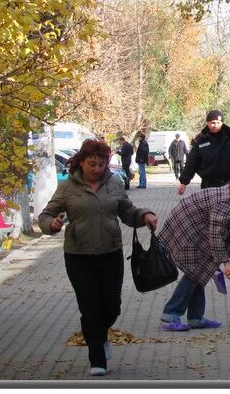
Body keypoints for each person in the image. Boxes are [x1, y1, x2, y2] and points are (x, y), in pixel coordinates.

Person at [38, 139, 158, 376]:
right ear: (81, 162)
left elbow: (127, 211)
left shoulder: (114, 183)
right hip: (78, 256)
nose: (96, 169)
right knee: (90, 308)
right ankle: (97, 359)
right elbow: (46, 215)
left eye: (101, 164)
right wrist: (51, 224)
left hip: (111, 253)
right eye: (92, 164)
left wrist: (145, 215)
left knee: (112, 307)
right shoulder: (68, 187)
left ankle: (100, 336)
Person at [157, 176, 230, 331]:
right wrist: (226, 262)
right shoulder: (225, 203)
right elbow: (216, 236)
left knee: (200, 272)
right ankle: (170, 314)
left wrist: (222, 258)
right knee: (195, 272)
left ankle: (195, 317)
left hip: (194, 226)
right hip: (186, 229)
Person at [178, 110, 230, 195]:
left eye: (218, 122)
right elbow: (192, 162)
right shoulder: (200, 140)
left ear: (222, 123)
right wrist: (183, 182)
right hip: (209, 185)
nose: (215, 125)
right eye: (213, 123)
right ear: (208, 123)